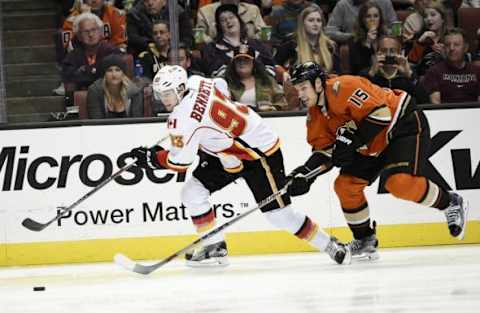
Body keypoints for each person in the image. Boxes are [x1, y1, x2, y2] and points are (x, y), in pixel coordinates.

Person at [125, 65, 352, 267]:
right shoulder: (198, 81)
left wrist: (152, 159)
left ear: (180, 88)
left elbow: (180, 162)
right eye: (160, 94)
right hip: (229, 148)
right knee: (192, 193)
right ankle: (215, 247)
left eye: (167, 93)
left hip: (258, 152)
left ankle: (329, 244)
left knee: (278, 215)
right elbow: (222, 86)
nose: (164, 99)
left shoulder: (180, 120)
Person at [287, 61, 469, 260]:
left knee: (398, 183)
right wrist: (306, 174)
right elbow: (325, 152)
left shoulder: (344, 87)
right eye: (297, 89)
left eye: (304, 87)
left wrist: (351, 142)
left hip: (401, 125)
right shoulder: (315, 117)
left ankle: (450, 202)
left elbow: (382, 115)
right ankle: (365, 240)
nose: (301, 95)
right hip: (372, 143)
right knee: (345, 185)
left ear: (319, 84)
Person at [200, 4, 275, 78]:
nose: (228, 21)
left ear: (239, 20)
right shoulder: (212, 49)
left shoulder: (256, 44)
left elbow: (271, 70)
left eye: (231, 17)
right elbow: (215, 75)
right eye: (223, 20)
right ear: (219, 26)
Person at [275, 5, 339, 82]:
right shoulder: (291, 43)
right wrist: (283, 73)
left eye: (319, 20)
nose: (315, 24)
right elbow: (275, 65)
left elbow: (337, 72)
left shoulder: (330, 45)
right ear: (303, 23)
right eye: (311, 20)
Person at [61, 13, 121, 91]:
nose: (91, 34)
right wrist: (97, 70)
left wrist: (85, 70)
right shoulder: (71, 57)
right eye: (86, 32)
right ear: (79, 36)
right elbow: (70, 78)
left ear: (100, 32)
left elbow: (114, 77)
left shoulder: (112, 51)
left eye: (94, 29)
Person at [422, 28, 480, 104]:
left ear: (465, 48)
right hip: (444, 113)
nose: (451, 48)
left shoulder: (477, 71)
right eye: (448, 45)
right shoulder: (434, 72)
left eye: (456, 45)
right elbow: (436, 104)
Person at [225, 44, 287, 111]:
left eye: (246, 59)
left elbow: (282, 103)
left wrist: (273, 108)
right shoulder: (226, 83)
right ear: (233, 63)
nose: (242, 62)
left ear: (253, 63)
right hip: (237, 119)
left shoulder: (267, 80)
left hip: (266, 119)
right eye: (238, 60)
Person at [87, 54, 144, 118]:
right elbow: (95, 121)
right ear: (104, 74)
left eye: (118, 70)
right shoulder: (95, 91)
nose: (114, 75)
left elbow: (137, 121)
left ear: (123, 73)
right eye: (109, 70)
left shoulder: (134, 92)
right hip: (102, 127)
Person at [127, 0, 193, 56]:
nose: (150, 3)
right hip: (146, 51)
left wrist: (170, 47)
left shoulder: (178, 12)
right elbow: (133, 38)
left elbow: (186, 38)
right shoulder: (134, 14)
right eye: (146, 0)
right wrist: (153, 44)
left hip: (174, 52)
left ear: (164, 1)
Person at [325, 0, 397, 44]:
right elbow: (330, 32)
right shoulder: (343, 5)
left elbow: (396, 30)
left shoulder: (385, 2)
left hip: (383, 47)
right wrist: (357, 37)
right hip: (354, 52)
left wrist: (382, 34)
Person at [196, 0, 267, 43]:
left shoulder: (253, 10)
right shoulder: (205, 11)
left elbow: (264, 32)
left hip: (249, 49)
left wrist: (250, 42)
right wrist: (214, 44)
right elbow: (198, 35)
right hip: (217, 52)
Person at [407, 2, 447, 77]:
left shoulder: (450, 37)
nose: (428, 19)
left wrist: (446, 55)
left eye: (433, 15)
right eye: (425, 16)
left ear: (443, 18)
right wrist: (420, 42)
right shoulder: (418, 37)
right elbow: (410, 64)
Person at [348, 1, 388, 75]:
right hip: (364, 79)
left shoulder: (385, 38)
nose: (372, 19)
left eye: (376, 16)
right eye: (368, 16)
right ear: (362, 20)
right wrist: (368, 43)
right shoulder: (354, 41)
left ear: (380, 19)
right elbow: (358, 69)